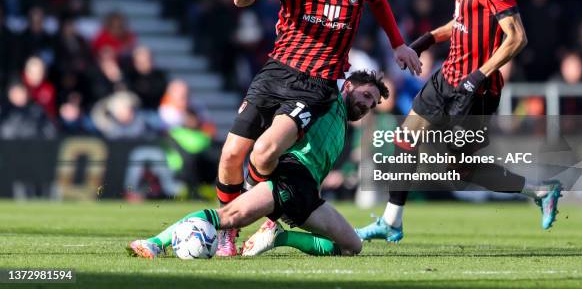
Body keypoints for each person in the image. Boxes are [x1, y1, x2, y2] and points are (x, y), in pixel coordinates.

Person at [215, 0, 421, 255]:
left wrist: (399, 43)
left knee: (265, 152)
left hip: (315, 84)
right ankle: (228, 233)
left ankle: (261, 212)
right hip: (276, 72)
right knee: (231, 154)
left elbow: (380, 3)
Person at [356, 0, 562, 243]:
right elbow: (462, 22)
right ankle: (391, 221)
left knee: (461, 170)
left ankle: (540, 191)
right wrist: (424, 41)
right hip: (447, 77)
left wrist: (478, 76)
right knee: (405, 139)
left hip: (475, 92)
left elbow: (517, 37)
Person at [127, 70, 389, 259]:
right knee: (228, 217)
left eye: (372, 102)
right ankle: (154, 243)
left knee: (353, 246)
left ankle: (281, 237)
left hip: (308, 196)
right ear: (348, 85)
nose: (367, 104)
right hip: (285, 179)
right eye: (365, 95)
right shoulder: (326, 94)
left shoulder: (343, 128)